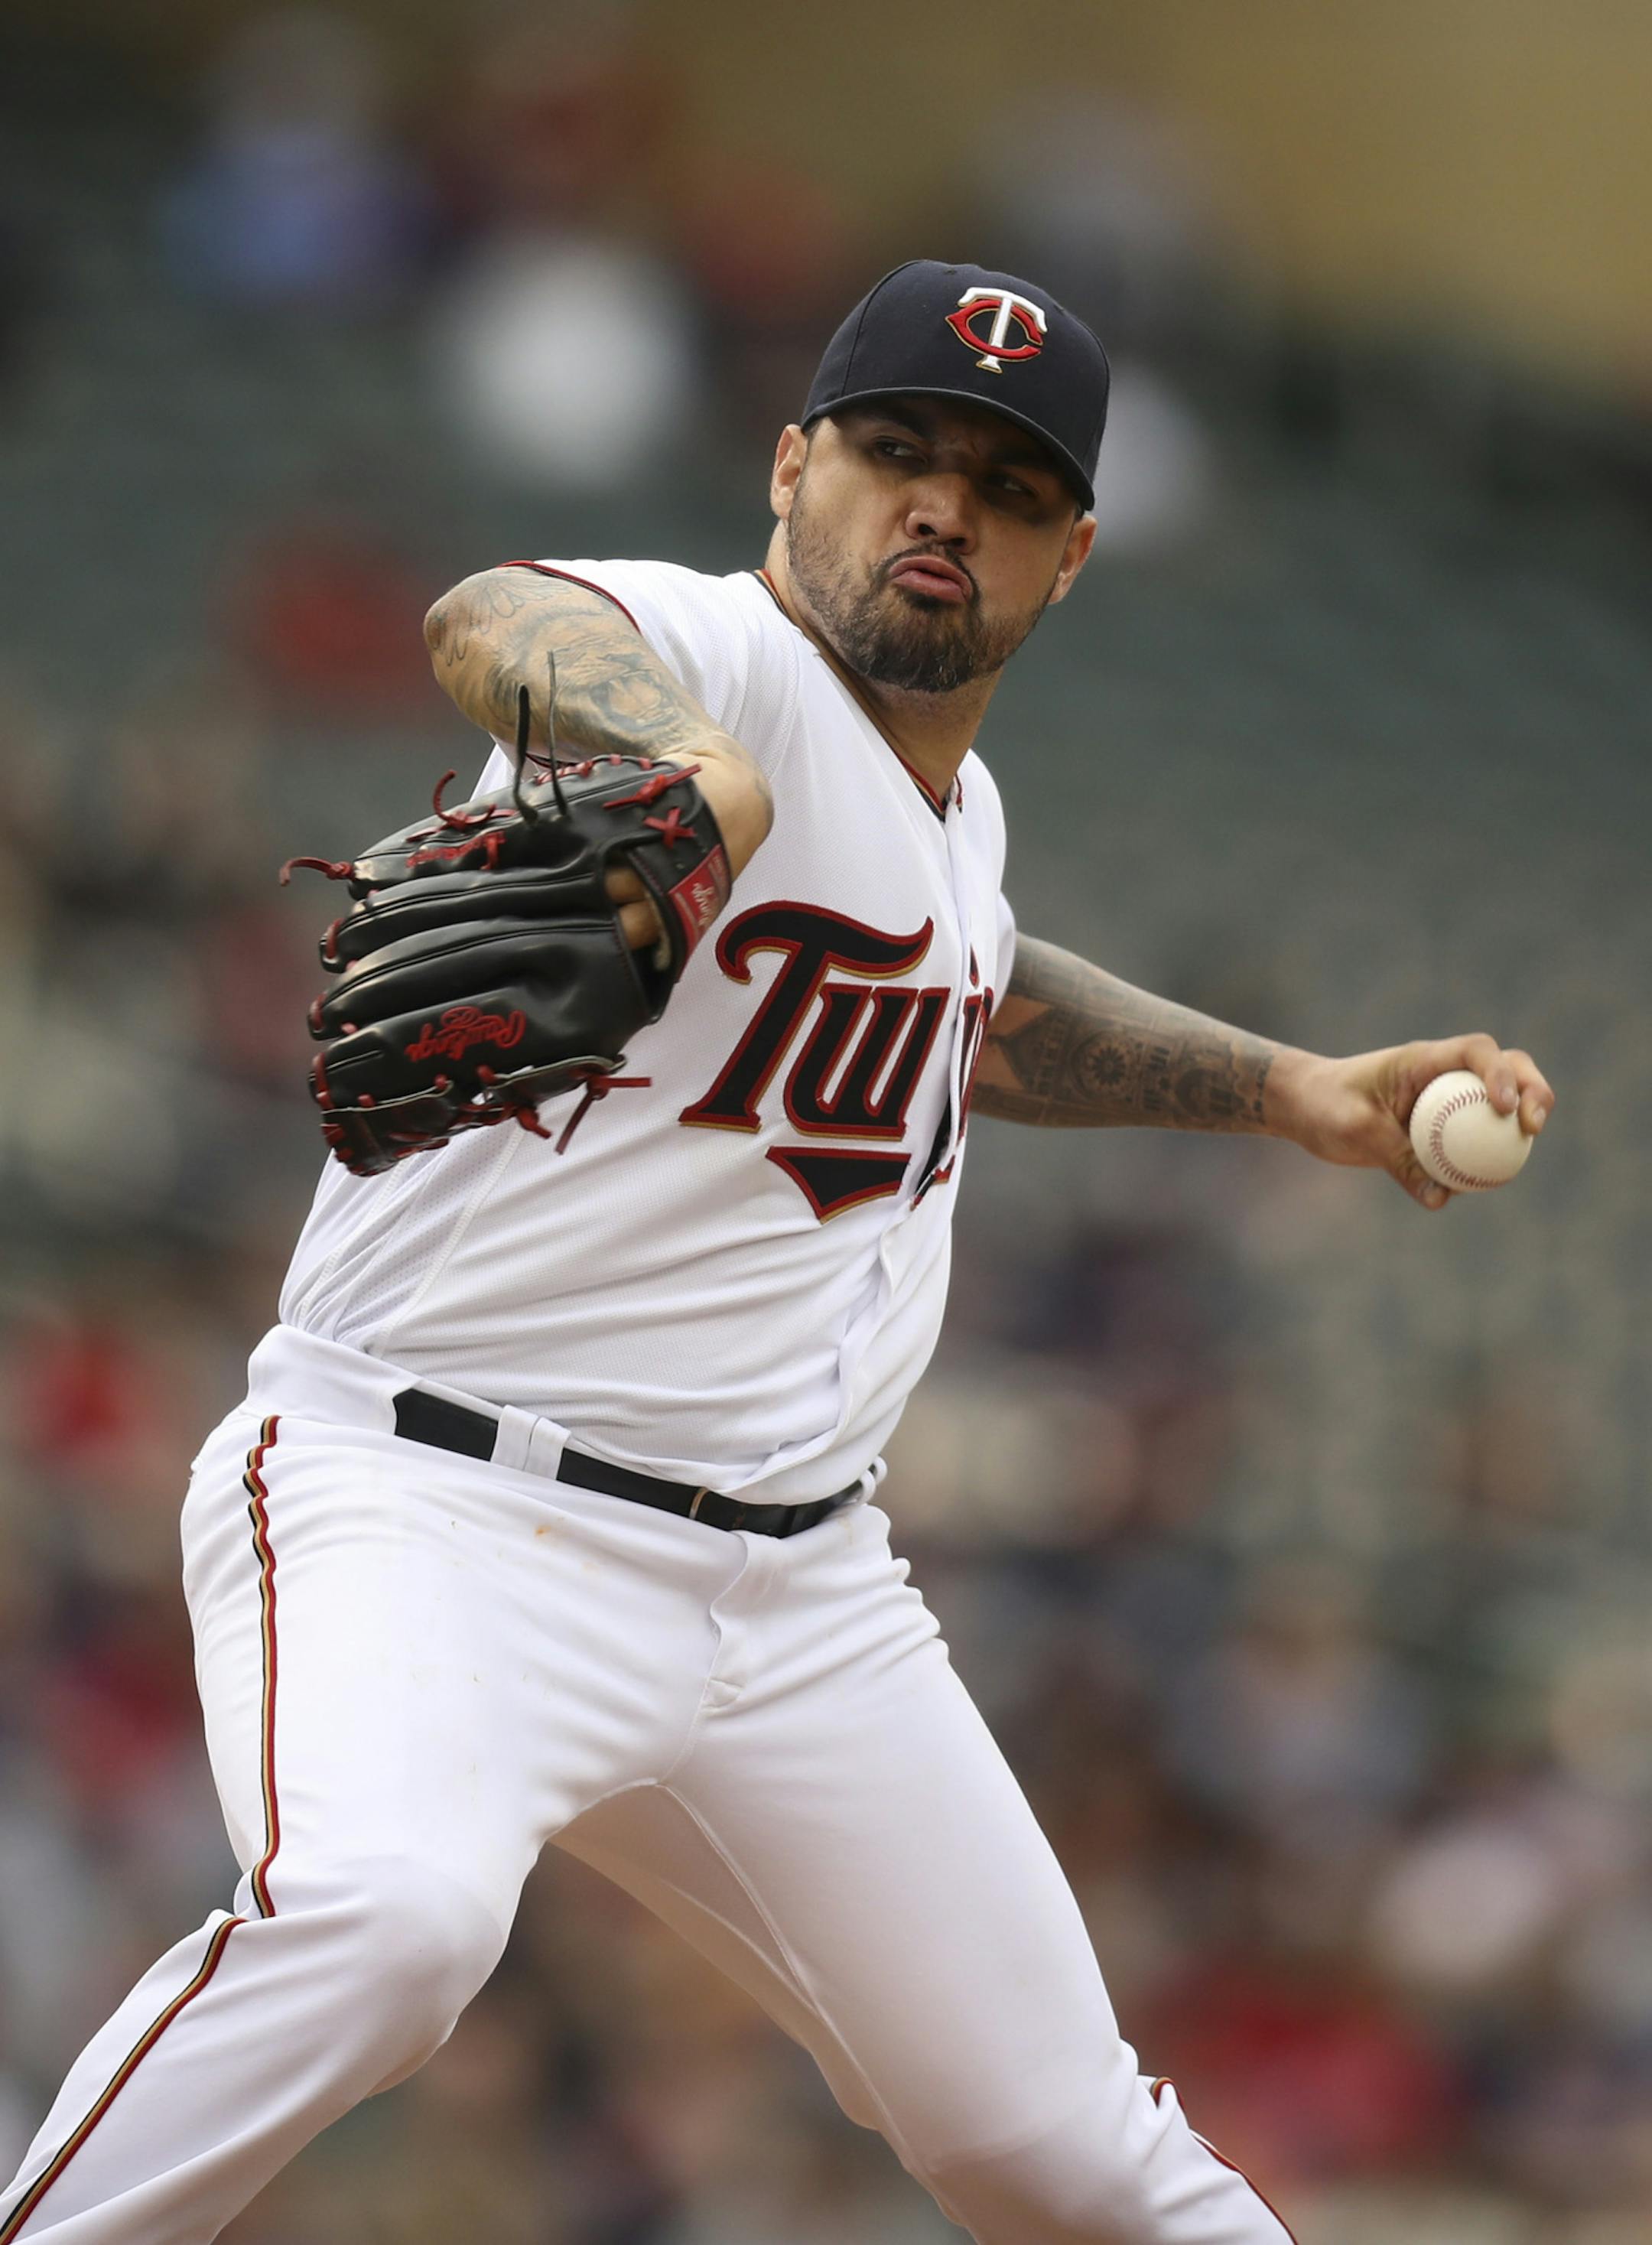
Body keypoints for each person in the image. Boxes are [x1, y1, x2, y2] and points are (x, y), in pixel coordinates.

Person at [0, 260, 1553, 2244]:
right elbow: (502, 617)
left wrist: (1297, 1094)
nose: (938, 508)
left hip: (797, 1600)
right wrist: (676, 766)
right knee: (388, 1926)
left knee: (1064, 2150)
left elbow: (972, 1003)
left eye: (1001, 486)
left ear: (1068, 557)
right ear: (788, 467)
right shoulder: (709, 662)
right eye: (895, 452)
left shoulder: (954, 817)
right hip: (437, 1514)